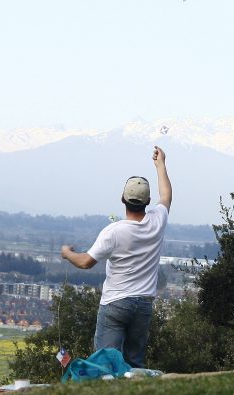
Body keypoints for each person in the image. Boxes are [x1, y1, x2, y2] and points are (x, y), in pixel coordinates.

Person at [61, 145, 172, 368]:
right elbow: (167, 195)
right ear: (147, 201)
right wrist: (161, 164)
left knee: (105, 366)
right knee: (134, 366)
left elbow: (85, 262)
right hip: (143, 305)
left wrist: (67, 253)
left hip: (115, 304)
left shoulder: (113, 231)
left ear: (122, 198)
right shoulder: (157, 221)